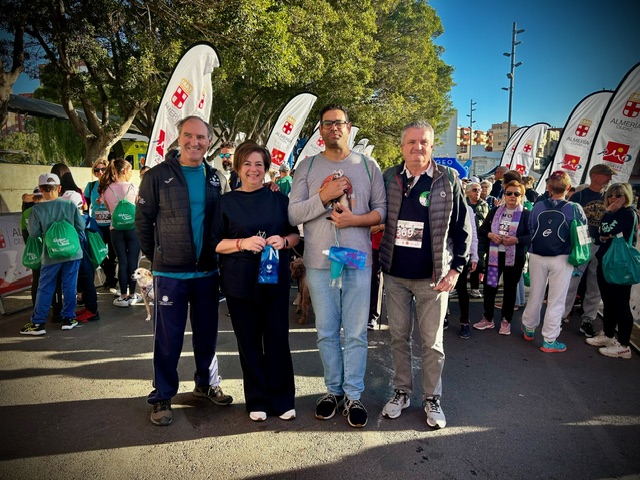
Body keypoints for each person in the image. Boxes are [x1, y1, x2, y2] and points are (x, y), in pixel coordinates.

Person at [288, 104, 386, 428]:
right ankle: (333, 391)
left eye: (339, 123)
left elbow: (381, 212)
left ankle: (353, 395)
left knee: (356, 333)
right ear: (320, 130)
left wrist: (354, 220)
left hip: (358, 262)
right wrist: (324, 195)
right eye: (327, 123)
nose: (333, 128)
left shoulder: (368, 165)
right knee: (326, 331)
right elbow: (294, 215)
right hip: (318, 263)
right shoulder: (307, 166)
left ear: (348, 127)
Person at [136, 115, 232, 426]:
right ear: (179, 139)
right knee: (168, 338)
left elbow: (226, 221)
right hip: (171, 275)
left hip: (206, 272)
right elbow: (143, 222)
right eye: (188, 136)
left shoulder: (216, 177)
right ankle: (162, 395)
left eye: (201, 137)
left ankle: (206, 384)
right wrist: (159, 256)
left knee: (207, 335)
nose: (194, 142)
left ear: (209, 141)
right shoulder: (157, 176)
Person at [378, 120, 471, 429]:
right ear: (402, 147)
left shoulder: (448, 179)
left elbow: (462, 228)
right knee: (398, 338)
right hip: (395, 275)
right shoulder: (390, 177)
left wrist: (456, 268)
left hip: (434, 278)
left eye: (424, 142)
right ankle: (402, 392)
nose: (418, 147)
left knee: (432, 343)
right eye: (411, 142)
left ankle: (432, 398)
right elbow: (371, 211)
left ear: (432, 147)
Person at [212, 141, 300, 422]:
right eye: (247, 164)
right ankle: (257, 400)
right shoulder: (225, 202)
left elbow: (296, 235)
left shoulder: (279, 199)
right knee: (249, 343)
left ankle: (283, 399)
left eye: (259, 164)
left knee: (277, 340)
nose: (253, 169)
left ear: (266, 168)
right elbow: (215, 243)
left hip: (275, 282)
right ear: (238, 167)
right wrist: (241, 243)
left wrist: (284, 241)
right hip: (239, 283)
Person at [521, 171, 587, 352]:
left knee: (535, 292)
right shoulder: (574, 208)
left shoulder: (539, 206)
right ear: (568, 188)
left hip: (537, 254)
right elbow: (583, 235)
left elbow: (531, 228)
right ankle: (549, 340)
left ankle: (529, 327)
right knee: (556, 299)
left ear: (548, 187)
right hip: (562, 257)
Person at [20, 173, 85, 335]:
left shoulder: (36, 210)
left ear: (40, 189)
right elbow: (81, 227)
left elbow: (34, 234)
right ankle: (68, 319)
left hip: (50, 254)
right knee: (70, 285)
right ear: (59, 188)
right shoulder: (70, 205)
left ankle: (38, 324)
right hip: (72, 252)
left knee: (45, 286)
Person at [561, 163, 614, 336]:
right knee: (572, 282)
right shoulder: (579, 196)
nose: (609, 179)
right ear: (596, 176)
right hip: (581, 245)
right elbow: (568, 219)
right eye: (607, 175)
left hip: (601, 245)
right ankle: (561, 315)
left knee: (595, 284)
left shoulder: (609, 197)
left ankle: (588, 319)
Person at [586, 182, 638, 359]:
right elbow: (600, 235)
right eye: (611, 195)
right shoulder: (616, 214)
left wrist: (607, 216)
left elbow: (606, 229)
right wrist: (605, 232)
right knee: (608, 301)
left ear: (626, 197)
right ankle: (608, 335)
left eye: (618, 195)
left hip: (619, 266)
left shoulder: (628, 213)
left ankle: (623, 345)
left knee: (621, 304)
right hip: (606, 262)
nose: (613, 199)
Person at [473, 180, 531, 335]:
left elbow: (531, 236)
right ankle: (488, 318)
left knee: (510, 289)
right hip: (495, 256)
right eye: (509, 193)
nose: (512, 196)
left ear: (521, 196)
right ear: (504, 194)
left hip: (515, 257)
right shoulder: (495, 211)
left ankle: (506, 320)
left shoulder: (525, 214)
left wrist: (516, 240)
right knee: (490, 286)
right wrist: (491, 234)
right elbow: (482, 230)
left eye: (516, 194)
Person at [98, 158, 141, 307]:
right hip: (133, 229)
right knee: (133, 261)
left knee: (122, 261)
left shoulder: (106, 189)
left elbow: (110, 210)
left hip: (115, 230)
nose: (130, 174)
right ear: (124, 171)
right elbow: (138, 206)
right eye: (129, 170)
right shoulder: (133, 187)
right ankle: (133, 294)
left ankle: (123, 296)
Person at [84, 158, 118, 293]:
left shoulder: (114, 185)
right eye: (97, 170)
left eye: (103, 169)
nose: (100, 172)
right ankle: (110, 277)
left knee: (113, 254)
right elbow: (85, 207)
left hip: (112, 224)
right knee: (99, 253)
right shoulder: (91, 186)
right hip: (96, 225)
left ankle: (112, 280)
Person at [465, 182, 489, 298]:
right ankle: (458, 287)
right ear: (468, 192)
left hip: (480, 237)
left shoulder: (484, 204)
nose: (478, 192)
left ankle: (475, 288)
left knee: (478, 263)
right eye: (475, 190)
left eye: (479, 190)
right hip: (465, 237)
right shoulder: (463, 203)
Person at [368, 222, 385, 330]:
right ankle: (372, 315)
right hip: (375, 244)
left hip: (396, 244)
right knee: (374, 278)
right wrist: (380, 227)